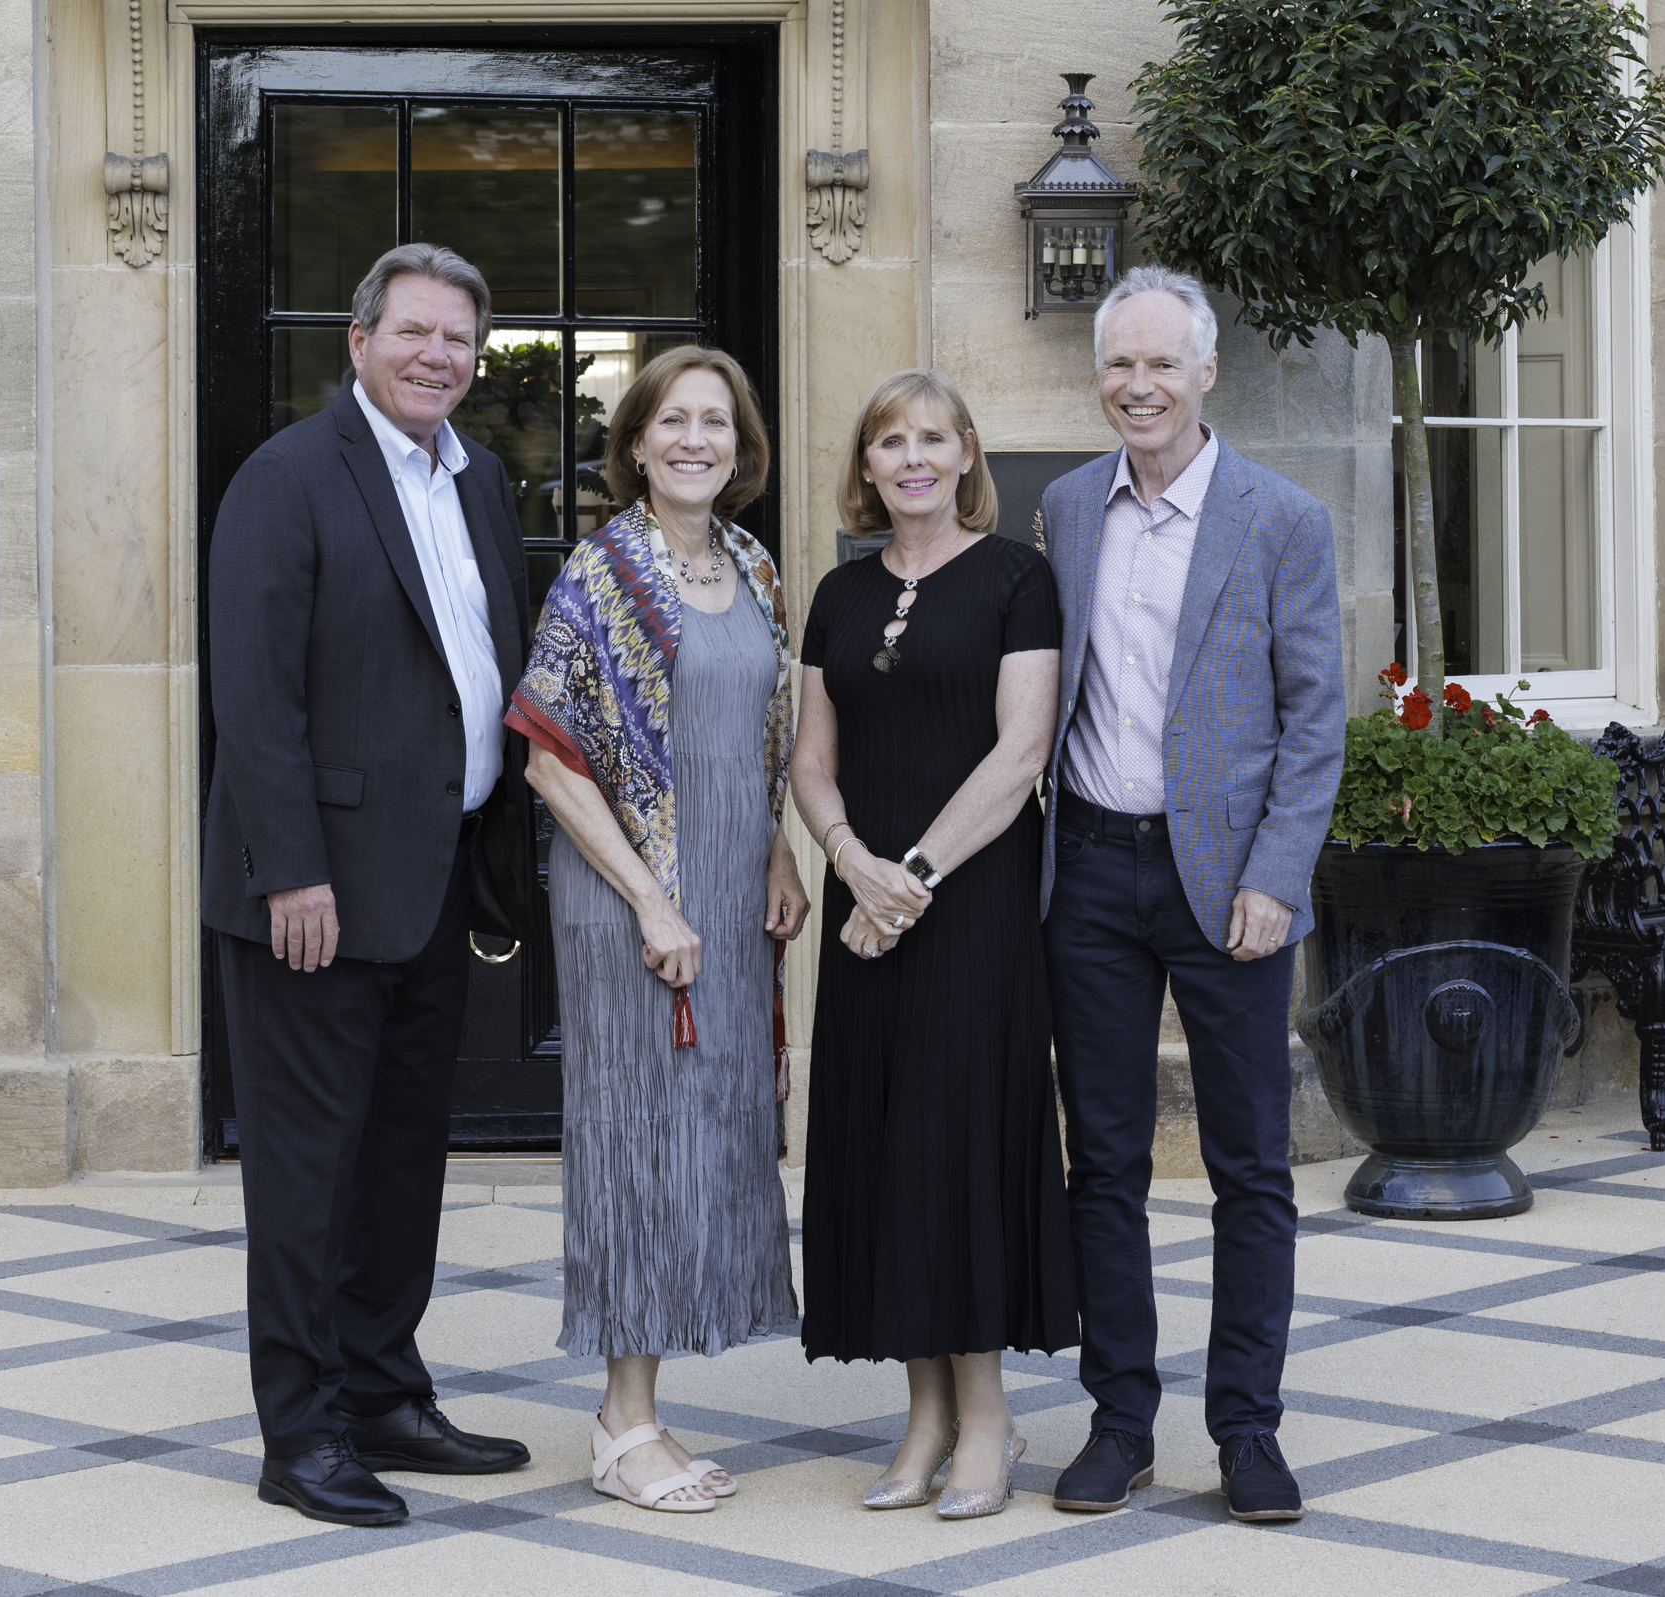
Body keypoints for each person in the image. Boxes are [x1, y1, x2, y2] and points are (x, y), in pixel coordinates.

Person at [203, 243, 537, 1527]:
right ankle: (302, 1432)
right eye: (412, 333)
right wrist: (291, 869)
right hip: (316, 896)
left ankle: (385, 1393)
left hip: (437, 877)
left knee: (402, 1159)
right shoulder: (288, 479)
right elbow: (256, 695)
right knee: (305, 1172)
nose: (435, 357)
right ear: (359, 341)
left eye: (457, 339)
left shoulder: (481, 480)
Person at [1039, 266, 1344, 1523]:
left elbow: (1316, 716)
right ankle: (1122, 1421)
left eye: (1163, 363)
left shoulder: (1282, 517)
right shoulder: (1061, 508)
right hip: (1094, 871)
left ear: (1207, 371)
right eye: (1121, 364)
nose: (1139, 385)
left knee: (1249, 1165)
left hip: (1231, 887)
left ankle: (1248, 1429)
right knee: (1102, 1159)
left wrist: (1278, 876)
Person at [507, 346, 809, 1514]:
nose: (696, 440)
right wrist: (650, 896)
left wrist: (781, 845)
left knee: (708, 1139)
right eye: (674, 421)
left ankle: (649, 1400)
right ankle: (620, 1420)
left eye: (718, 423)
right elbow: (547, 756)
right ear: (635, 441)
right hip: (633, 902)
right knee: (639, 1144)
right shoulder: (602, 571)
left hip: (734, 898)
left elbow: (763, 736)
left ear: (742, 447)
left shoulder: (753, 565)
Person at [792, 368, 1079, 1520]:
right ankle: (922, 1416)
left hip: (973, 904)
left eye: (934, 438)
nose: (912, 458)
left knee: (961, 1143)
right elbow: (810, 755)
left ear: (967, 456)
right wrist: (852, 856)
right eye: (889, 441)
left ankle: (989, 1419)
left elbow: (1021, 755)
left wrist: (909, 878)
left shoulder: (1020, 578)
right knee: (886, 1142)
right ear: (865, 467)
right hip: (866, 904)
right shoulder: (836, 592)